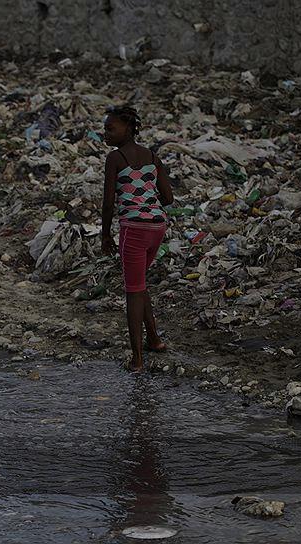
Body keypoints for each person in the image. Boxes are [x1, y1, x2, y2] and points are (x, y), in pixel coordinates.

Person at [101, 106, 174, 372]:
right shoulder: (152, 156)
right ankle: (154, 340)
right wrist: (146, 201)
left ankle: (137, 360)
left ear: (129, 129)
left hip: (134, 229)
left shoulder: (116, 157)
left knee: (133, 291)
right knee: (140, 284)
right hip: (157, 227)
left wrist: (105, 234)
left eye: (111, 128)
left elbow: (108, 202)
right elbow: (168, 198)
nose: (105, 133)